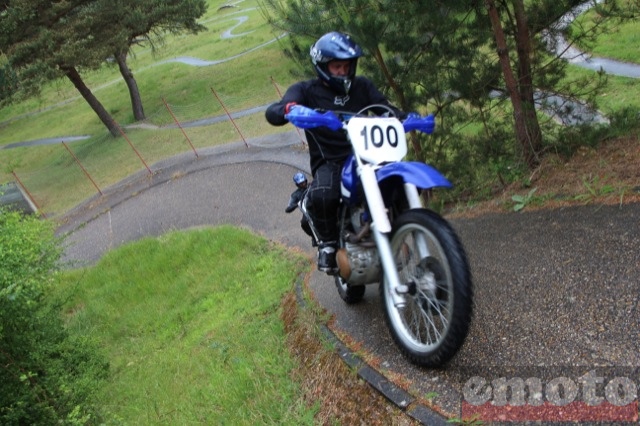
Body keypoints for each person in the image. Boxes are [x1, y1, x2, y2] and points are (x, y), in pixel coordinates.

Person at [266, 31, 406, 274]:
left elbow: (384, 109)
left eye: (346, 65)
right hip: (330, 160)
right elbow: (277, 110)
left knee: (399, 180)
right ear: (323, 66)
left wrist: (403, 117)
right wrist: (292, 109)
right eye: (336, 66)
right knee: (324, 194)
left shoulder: (362, 86)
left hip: (367, 154)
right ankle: (328, 244)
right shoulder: (306, 90)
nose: (343, 71)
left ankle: (406, 225)